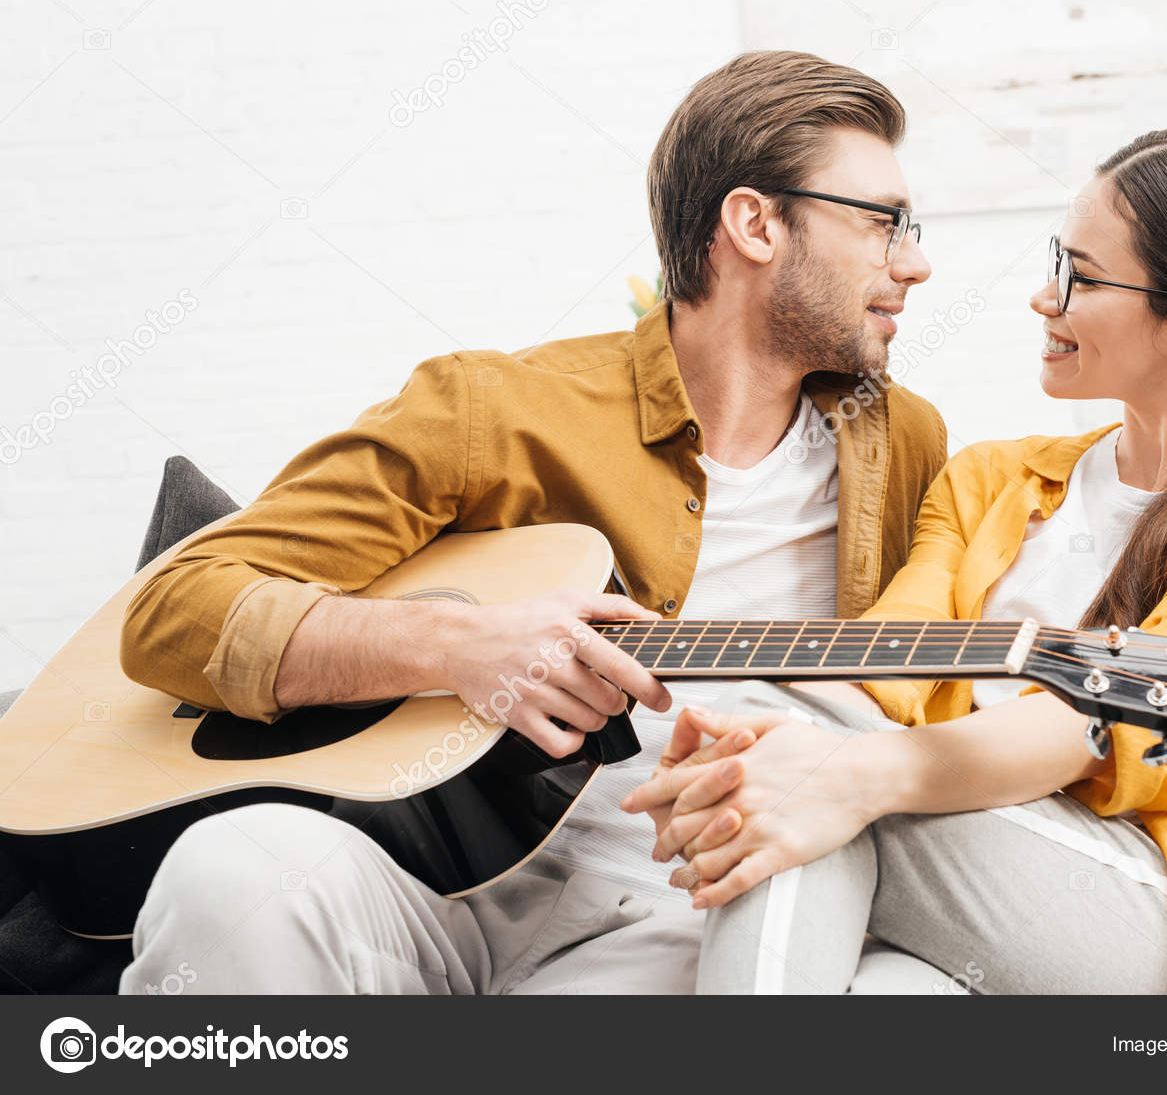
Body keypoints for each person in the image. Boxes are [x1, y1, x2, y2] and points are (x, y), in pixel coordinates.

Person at [115, 50, 949, 995]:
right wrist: (453, 645)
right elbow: (175, 608)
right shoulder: (495, 410)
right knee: (234, 869)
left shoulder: (900, 441)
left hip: (694, 918)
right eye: (884, 223)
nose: (914, 262)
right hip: (443, 890)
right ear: (755, 223)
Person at [622, 128, 1167, 996]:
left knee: (814, 758)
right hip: (965, 892)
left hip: (1161, 920)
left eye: (1083, 278)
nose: (1043, 297)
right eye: (1057, 261)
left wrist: (845, 771)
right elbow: (883, 666)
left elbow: (1095, 727)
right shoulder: (995, 480)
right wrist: (736, 744)